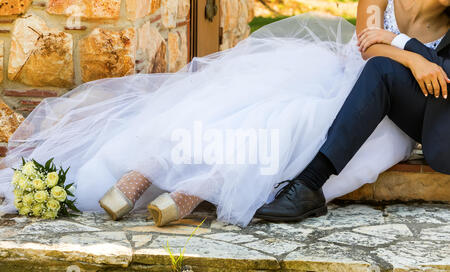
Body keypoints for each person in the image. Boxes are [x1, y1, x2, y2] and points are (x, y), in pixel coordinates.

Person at [0, 1, 443, 228]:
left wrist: (403, 51)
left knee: (303, 120)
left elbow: (400, 64)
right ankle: (151, 168)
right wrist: (412, 56)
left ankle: (199, 183)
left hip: (387, 116)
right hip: (344, 72)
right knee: (258, 96)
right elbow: (366, 45)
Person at [256, 0, 450, 222]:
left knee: (382, 70)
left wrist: (399, 41)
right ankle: (297, 184)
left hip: (437, 110)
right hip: (361, 79)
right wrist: (413, 59)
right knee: (299, 116)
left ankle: (309, 183)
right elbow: (369, 48)